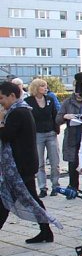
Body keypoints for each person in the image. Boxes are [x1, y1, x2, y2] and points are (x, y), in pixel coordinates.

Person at [0, 81, 56, 243]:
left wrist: (1, 120)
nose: (0, 102)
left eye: (2, 98)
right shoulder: (20, 109)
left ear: (12, 96)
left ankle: (46, 231)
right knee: (30, 199)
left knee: (5, 200)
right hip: (23, 164)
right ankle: (46, 231)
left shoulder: (18, 112)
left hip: (20, 165)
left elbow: (6, 136)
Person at [56, 85, 82, 196]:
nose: (79, 95)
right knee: (73, 163)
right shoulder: (67, 102)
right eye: (77, 92)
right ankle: (73, 188)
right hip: (72, 136)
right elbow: (57, 119)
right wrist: (66, 116)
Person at [24, 79, 60, 198]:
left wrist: (56, 128)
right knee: (39, 163)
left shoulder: (49, 99)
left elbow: (55, 114)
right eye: (43, 86)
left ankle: (56, 186)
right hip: (37, 134)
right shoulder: (28, 101)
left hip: (51, 133)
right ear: (36, 87)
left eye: (46, 86)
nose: (45, 88)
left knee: (55, 161)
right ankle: (42, 187)